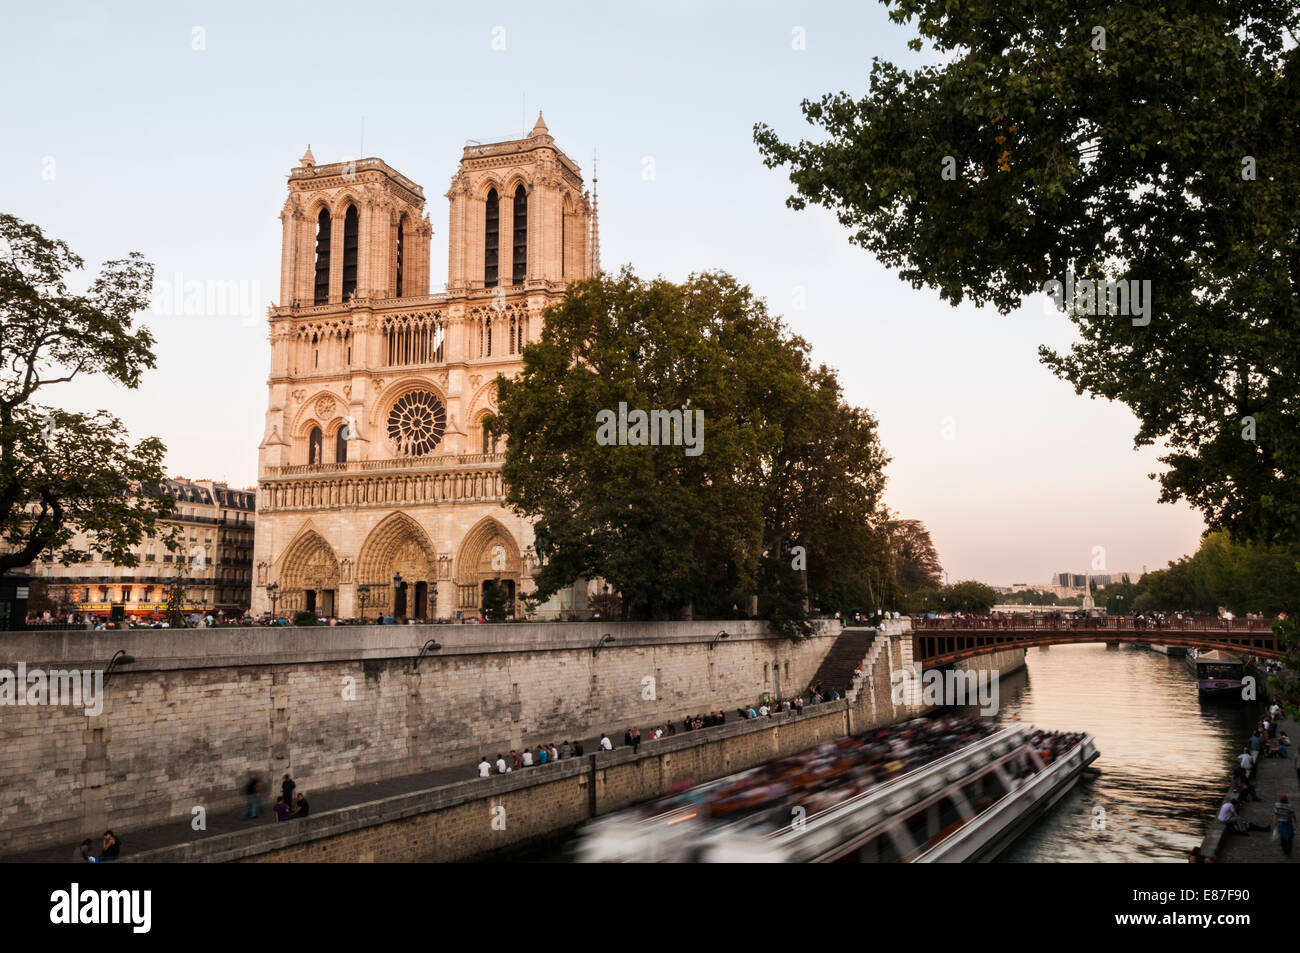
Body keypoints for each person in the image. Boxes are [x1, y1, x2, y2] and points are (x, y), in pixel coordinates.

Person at [1274, 793, 1295, 858]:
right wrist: (1295, 820)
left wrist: (1275, 824)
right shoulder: (1289, 806)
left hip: (1280, 824)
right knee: (1290, 838)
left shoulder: (1277, 805)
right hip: (1288, 823)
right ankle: (1289, 851)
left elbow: (1276, 815)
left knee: (1283, 838)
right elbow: (1293, 814)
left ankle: (1286, 851)